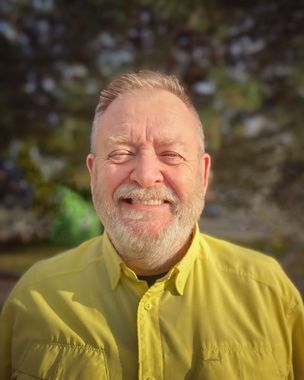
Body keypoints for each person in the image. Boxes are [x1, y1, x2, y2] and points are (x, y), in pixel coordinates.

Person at [0, 70, 303, 379]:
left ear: (203, 173)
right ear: (93, 174)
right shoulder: (35, 297)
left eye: (171, 154)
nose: (146, 175)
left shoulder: (269, 293)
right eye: (121, 153)